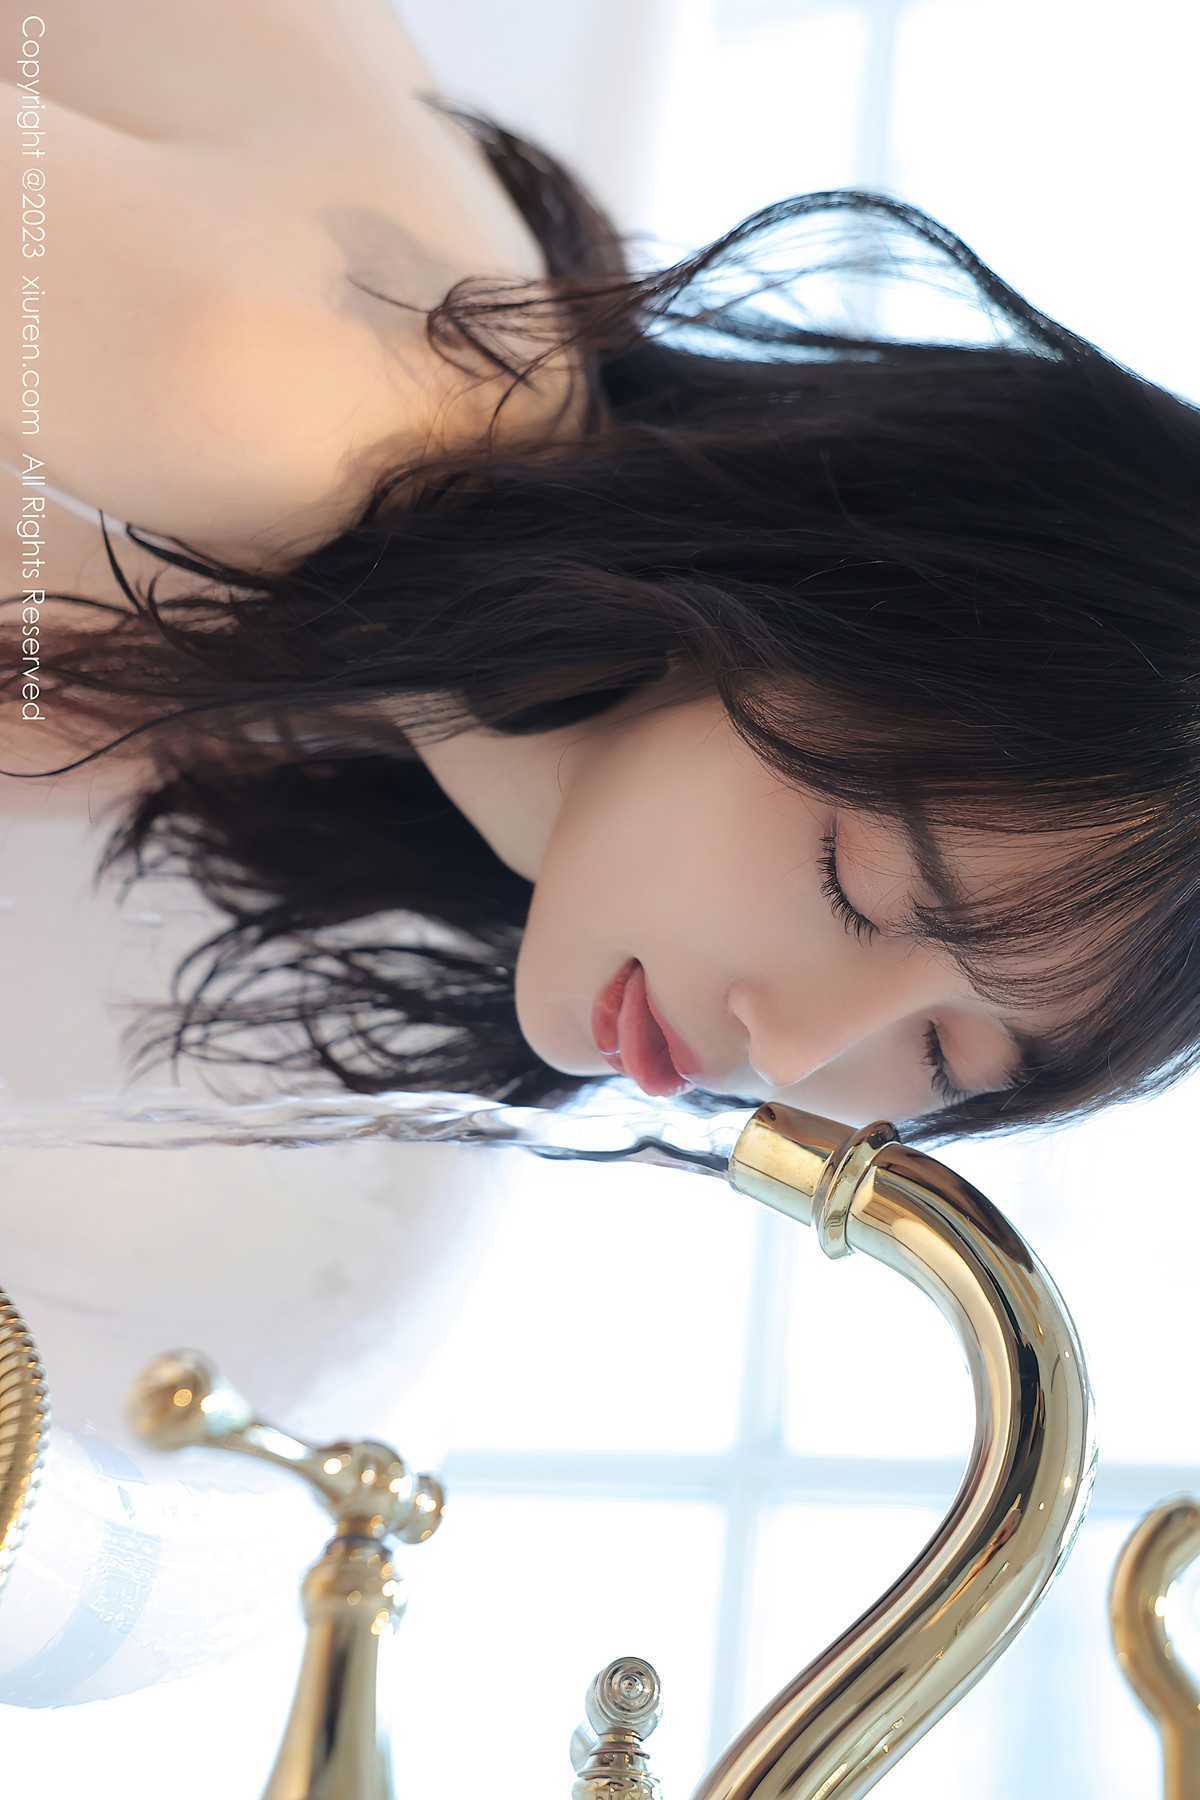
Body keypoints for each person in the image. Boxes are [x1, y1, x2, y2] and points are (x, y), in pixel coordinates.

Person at [3, 77, 1198, 1152]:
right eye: (856, 883)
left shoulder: (357, 673)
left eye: (942, 1061)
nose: (791, 1053)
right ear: (806, 595)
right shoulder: (291, 395)